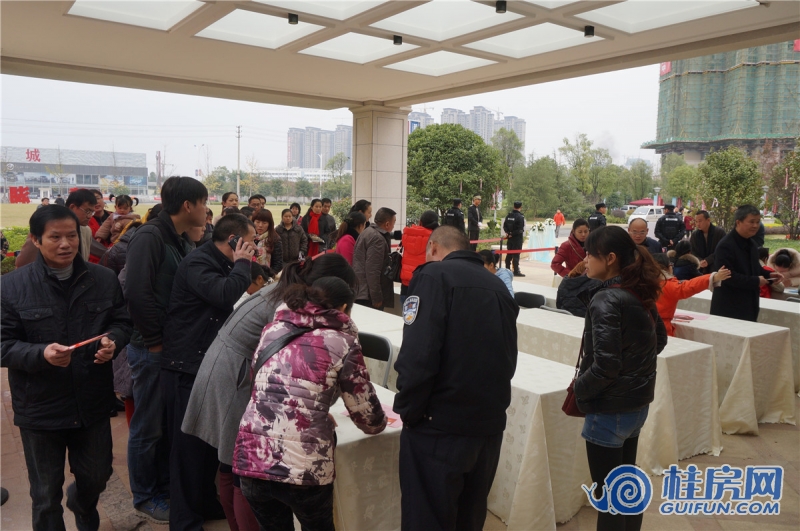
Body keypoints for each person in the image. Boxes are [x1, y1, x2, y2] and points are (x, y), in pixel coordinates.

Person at [182, 254, 356, 531]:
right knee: (243, 467)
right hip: (237, 375)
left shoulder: (288, 291)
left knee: (231, 463)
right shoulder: (291, 304)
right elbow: (303, 366)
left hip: (229, 366)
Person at [1, 205, 132, 531]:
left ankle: (83, 504)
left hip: (92, 402)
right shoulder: (11, 287)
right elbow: (3, 345)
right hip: (40, 407)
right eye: (55, 237)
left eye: (71, 236)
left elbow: (122, 322)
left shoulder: (102, 279)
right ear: (35, 239)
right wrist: (40, 354)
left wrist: (114, 341)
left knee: (97, 476)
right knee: (45, 495)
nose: (65, 244)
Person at [234, 277, 387, 530]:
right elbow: (367, 416)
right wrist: (380, 424)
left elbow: (263, 388)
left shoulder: (272, 330)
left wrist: (312, 410)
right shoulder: (342, 342)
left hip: (253, 461)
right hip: (304, 471)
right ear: (344, 308)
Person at [394, 226, 518, 531]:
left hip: (440, 425)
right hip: (487, 426)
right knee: (469, 518)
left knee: (427, 518)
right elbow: (509, 356)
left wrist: (409, 412)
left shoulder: (433, 276)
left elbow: (418, 355)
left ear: (434, 248)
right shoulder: (497, 285)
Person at [161, 214, 255, 529]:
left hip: (204, 362)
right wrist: (243, 264)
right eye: (250, 242)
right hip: (186, 364)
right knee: (187, 448)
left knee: (206, 443)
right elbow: (225, 294)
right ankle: (184, 520)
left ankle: (203, 502)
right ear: (233, 240)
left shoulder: (219, 262)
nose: (254, 248)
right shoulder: (199, 263)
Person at [124, 176, 208, 523]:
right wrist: (154, 340)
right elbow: (136, 292)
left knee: (162, 424)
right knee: (147, 426)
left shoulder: (177, 238)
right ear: (188, 205)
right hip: (151, 348)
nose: (206, 210)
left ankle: (162, 486)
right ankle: (144, 495)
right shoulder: (150, 236)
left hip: (169, 346)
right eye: (204, 203)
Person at [576, 226, 667, 531]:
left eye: (590, 254)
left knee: (609, 500)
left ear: (610, 258)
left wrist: (579, 389)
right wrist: (633, 371)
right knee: (626, 493)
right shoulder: (638, 291)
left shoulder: (606, 299)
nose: (585, 260)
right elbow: (659, 341)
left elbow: (605, 366)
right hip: (636, 405)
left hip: (610, 408)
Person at [710, 205, 782, 322]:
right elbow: (727, 276)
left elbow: (755, 268)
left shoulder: (752, 244)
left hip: (749, 304)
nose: (755, 226)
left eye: (758, 222)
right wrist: (755, 281)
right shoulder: (726, 245)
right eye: (751, 222)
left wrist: (769, 275)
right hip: (729, 306)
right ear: (738, 222)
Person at [15, 189, 98, 268]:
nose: (89, 216)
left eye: (72, 236)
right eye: (87, 211)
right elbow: (23, 263)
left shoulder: (86, 231)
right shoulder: (44, 227)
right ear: (72, 207)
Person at [652, 253, 730, 336]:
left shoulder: (643, 283)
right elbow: (689, 286)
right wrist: (713, 277)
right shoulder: (667, 285)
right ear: (667, 267)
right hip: (660, 329)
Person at [353, 207, 396, 310]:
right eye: (393, 223)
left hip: (362, 291)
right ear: (387, 224)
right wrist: (376, 297)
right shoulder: (377, 239)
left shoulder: (367, 231)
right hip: (368, 296)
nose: (394, 226)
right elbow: (373, 270)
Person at [400, 210, 439, 302]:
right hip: (425, 286)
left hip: (406, 286)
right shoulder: (435, 240)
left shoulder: (407, 235)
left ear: (420, 222)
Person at [252, 208, 283, 274]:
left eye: (264, 223)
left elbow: (278, 264)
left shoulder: (275, 239)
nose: (260, 225)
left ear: (269, 224)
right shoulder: (249, 238)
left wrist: (267, 275)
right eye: (257, 222)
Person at [503, 200, 526, 277]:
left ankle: (507, 269)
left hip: (510, 238)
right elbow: (520, 229)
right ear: (520, 207)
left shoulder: (509, 215)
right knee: (516, 255)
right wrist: (512, 234)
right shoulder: (520, 217)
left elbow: (505, 226)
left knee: (509, 254)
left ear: (514, 206)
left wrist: (508, 233)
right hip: (517, 239)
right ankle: (516, 270)